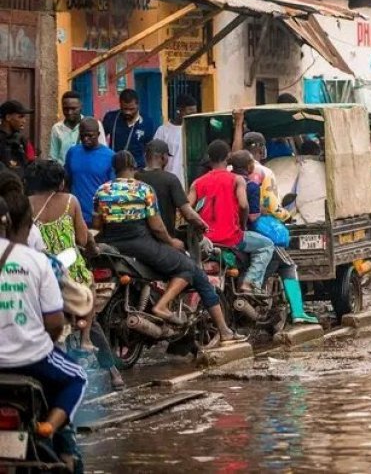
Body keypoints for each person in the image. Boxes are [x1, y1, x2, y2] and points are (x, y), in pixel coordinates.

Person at [95, 151, 244, 342]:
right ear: (134, 167)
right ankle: (166, 308)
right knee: (190, 268)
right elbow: (157, 227)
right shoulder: (143, 189)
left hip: (113, 246)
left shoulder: (102, 190)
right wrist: (171, 241)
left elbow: (98, 224)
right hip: (141, 244)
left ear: (114, 168)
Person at [0, 174, 88, 444]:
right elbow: (54, 324)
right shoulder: (38, 262)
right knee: (78, 377)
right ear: (26, 224)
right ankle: (50, 430)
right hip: (33, 358)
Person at [25, 161, 127, 391]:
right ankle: (95, 352)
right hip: (68, 269)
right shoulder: (71, 201)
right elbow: (83, 239)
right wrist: (93, 247)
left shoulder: (26, 204)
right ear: (61, 182)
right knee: (88, 299)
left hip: (37, 271)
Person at [190, 140, 274, 295]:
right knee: (267, 245)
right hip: (232, 238)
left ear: (209, 157)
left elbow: (187, 209)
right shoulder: (237, 180)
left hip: (205, 240)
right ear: (227, 157)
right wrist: (242, 225)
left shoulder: (197, 183)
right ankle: (250, 282)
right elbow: (243, 205)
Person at [135, 139, 207, 240]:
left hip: (140, 239)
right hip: (165, 240)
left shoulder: (135, 177)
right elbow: (188, 214)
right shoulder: (170, 179)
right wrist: (203, 225)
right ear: (163, 157)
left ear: (145, 156)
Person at [230, 110, 293, 222]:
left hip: (233, 220)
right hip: (258, 222)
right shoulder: (265, 173)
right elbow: (272, 205)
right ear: (262, 149)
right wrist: (287, 216)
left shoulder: (230, 170)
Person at [65, 118, 115, 227]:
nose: (86, 139)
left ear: (98, 134)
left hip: (98, 217)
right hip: (74, 216)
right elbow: (67, 182)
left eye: (90, 135)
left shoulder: (110, 156)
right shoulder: (72, 152)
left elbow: (112, 189)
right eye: (82, 135)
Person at [102, 89, 156, 169]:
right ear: (120, 105)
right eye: (125, 109)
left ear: (138, 105)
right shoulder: (111, 117)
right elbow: (101, 139)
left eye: (131, 109)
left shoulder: (147, 122)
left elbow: (149, 149)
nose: (128, 112)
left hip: (137, 169)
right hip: (114, 168)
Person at [49, 91, 106, 165]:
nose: (69, 112)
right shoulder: (56, 128)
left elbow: (102, 151)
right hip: (63, 173)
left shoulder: (94, 124)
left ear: (81, 107)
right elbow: (53, 157)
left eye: (73, 109)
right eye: (66, 109)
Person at [154, 94, 197, 188]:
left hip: (192, 183)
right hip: (169, 183)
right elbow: (156, 158)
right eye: (189, 113)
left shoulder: (196, 131)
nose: (193, 116)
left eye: (195, 113)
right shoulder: (163, 131)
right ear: (179, 110)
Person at [0, 99, 37, 174]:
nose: (24, 121)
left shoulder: (23, 140)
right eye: (20, 117)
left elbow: (33, 164)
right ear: (8, 117)